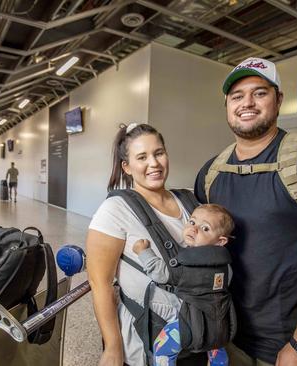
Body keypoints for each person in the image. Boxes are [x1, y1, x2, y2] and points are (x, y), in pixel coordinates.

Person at [194, 57, 297, 365]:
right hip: (221, 331)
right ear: (227, 106)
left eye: (259, 93)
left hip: (282, 344)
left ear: (278, 100)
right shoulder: (211, 172)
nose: (247, 102)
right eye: (237, 96)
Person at [87, 123, 207, 366]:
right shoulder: (115, 210)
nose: (154, 163)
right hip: (149, 342)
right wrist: (112, 347)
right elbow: (100, 283)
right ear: (127, 167)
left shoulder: (188, 199)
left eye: (159, 153)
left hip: (199, 331)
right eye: (142, 157)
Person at [132, 203, 234, 366]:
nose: (194, 229)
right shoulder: (226, 266)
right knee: (216, 347)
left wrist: (143, 252)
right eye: (192, 222)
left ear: (220, 241)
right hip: (219, 323)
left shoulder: (190, 263)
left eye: (205, 228)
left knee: (162, 349)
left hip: (189, 322)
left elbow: (161, 274)